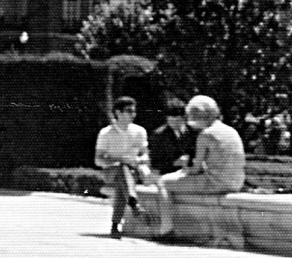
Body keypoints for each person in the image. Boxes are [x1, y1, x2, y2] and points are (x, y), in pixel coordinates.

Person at [157, 95, 246, 238]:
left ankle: (166, 228)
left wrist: (183, 170)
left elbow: (195, 169)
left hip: (215, 184)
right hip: (236, 182)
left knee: (163, 182)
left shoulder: (205, 135)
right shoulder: (231, 130)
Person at [95, 96, 151, 239]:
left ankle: (117, 222)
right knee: (121, 168)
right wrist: (119, 160)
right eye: (128, 111)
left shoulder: (140, 131)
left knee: (124, 178)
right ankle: (132, 203)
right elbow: (98, 160)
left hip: (133, 170)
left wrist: (137, 160)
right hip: (111, 171)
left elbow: (146, 156)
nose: (133, 114)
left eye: (134, 111)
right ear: (118, 112)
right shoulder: (106, 133)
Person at [148, 98, 197, 175]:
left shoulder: (194, 132)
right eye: (170, 121)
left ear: (184, 118)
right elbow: (154, 163)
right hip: (168, 177)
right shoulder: (159, 135)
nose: (173, 124)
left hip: (191, 175)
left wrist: (190, 160)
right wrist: (174, 163)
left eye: (177, 121)